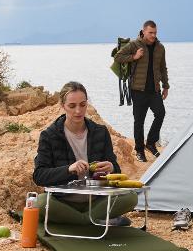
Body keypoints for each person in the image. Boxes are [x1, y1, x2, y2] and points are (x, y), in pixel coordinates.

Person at [33, 81, 137, 226]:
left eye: (82, 105)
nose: (78, 111)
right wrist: (69, 169)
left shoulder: (100, 131)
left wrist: (111, 168)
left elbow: (116, 170)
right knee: (40, 202)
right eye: (72, 106)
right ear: (62, 106)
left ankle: (79, 220)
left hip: (96, 201)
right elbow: (39, 176)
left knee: (131, 197)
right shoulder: (49, 135)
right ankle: (93, 220)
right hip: (63, 202)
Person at [113, 20, 170, 162]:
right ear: (143, 31)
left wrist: (166, 86)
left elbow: (163, 68)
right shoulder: (134, 45)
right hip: (138, 90)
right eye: (150, 32)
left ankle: (150, 143)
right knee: (139, 121)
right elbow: (118, 57)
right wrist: (134, 57)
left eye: (155, 32)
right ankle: (139, 150)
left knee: (160, 113)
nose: (153, 35)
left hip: (154, 90)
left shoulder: (160, 48)